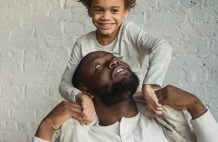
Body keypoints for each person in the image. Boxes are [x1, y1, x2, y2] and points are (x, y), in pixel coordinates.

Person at [34, 51, 218, 142]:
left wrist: (195, 105)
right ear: (87, 91)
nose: (114, 62)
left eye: (114, 58)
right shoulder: (83, 135)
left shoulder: (166, 120)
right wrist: (46, 126)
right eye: (98, 67)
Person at [59, 0, 172, 124]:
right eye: (99, 10)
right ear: (89, 11)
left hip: (134, 104)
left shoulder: (129, 32)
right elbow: (64, 84)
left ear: (125, 12)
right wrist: (82, 97)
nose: (106, 17)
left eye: (114, 10)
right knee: (73, 127)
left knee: (171, 116)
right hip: (101, 109)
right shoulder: (83, 44)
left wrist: (149, 85)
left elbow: (162, 47)